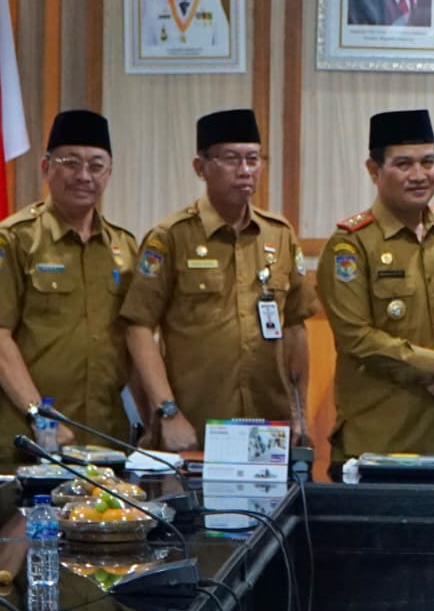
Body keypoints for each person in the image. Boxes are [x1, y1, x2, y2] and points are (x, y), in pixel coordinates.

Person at [121, 109, 315, 451]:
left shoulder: (279, 234)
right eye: (231, 159)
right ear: (201, 167)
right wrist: (167, 412)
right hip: (195, 424)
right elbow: (138, 327)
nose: (245, 170)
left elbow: (295, 327)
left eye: (253, 159)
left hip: (268, 427)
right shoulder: (171, 236)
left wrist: (300, 415)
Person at [317, 109, 434, 470]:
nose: (419, 175)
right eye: (403, 164)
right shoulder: (351, 245)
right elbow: (356, 337)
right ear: (374, 170)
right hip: (380, 440)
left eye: (428, 162)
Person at [0, 111, 137, 466]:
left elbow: (134, 338)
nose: (84, 176)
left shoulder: (124, 247)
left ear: (109, 173)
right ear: (46, 167)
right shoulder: (15, 239)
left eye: (96, 165)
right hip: (28, 438)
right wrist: (38, 414)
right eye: (71, 163)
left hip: (105, 436)